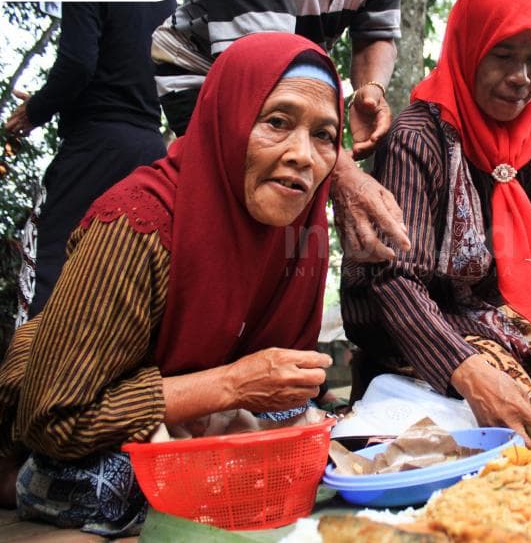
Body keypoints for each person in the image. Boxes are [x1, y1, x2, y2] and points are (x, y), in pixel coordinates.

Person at [0, 33, 340, 536]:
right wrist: (229, 385)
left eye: (325, 136)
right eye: (277, 122)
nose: (303, 156)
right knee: (115, 490)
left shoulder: (299, 233)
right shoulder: (136, 222)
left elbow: (278, 394)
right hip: (70, 418)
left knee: (305, 445)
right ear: (226, 118)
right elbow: (55, 418)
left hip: (192, 420)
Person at [342, 0, 531, 447]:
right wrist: (468, 372)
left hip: (484, 319)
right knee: (518, 422)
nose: (522, 79)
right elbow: (395, 278)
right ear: (470, 47)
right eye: (504, 55)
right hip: (407, 330)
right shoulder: (418, 137)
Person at [151, 0, 411, 264]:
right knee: (229, 224)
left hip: (296, 83)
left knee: (283, 225)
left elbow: (376, 32)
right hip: (200, 77)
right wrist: (342, 175)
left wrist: (370, 88)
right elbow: (265, 66)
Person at [4, 0, 176, 323]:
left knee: (50, 271)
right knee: (125, 285)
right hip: (151, 154)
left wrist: (35, 110)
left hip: (94, 150)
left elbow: (77, 64)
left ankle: (29, 370)